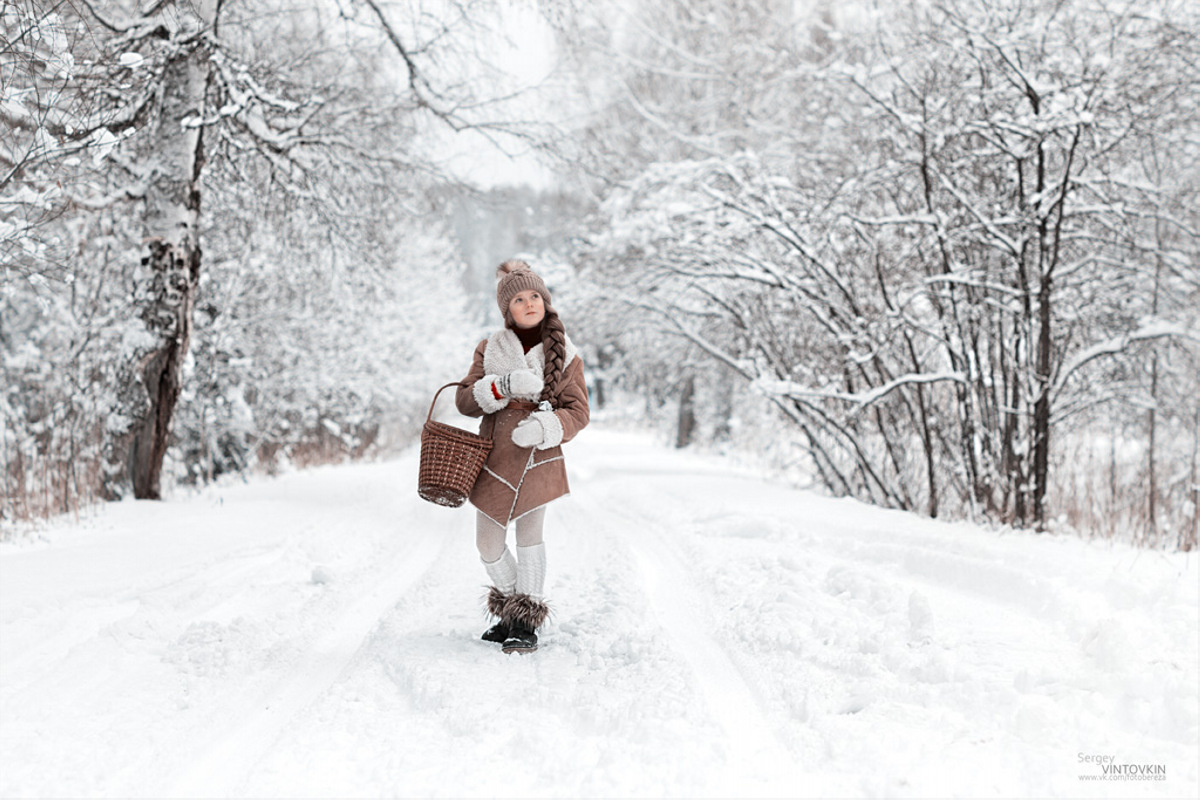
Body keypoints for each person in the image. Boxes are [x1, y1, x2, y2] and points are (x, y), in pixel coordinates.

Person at [454, 260, 590, 654]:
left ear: (545, 301)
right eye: (518, 298)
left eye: (535, 296)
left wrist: (544, 429)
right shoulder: (490, 347)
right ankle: (514, 611)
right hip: (495, 455)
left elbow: (578, 412)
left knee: (530, 537)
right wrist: (502, 386)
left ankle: (524, 622)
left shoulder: (567, 354)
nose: (529, 304)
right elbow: (465, 400)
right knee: (488, 543)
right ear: (506, 309)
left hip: (538, 455)